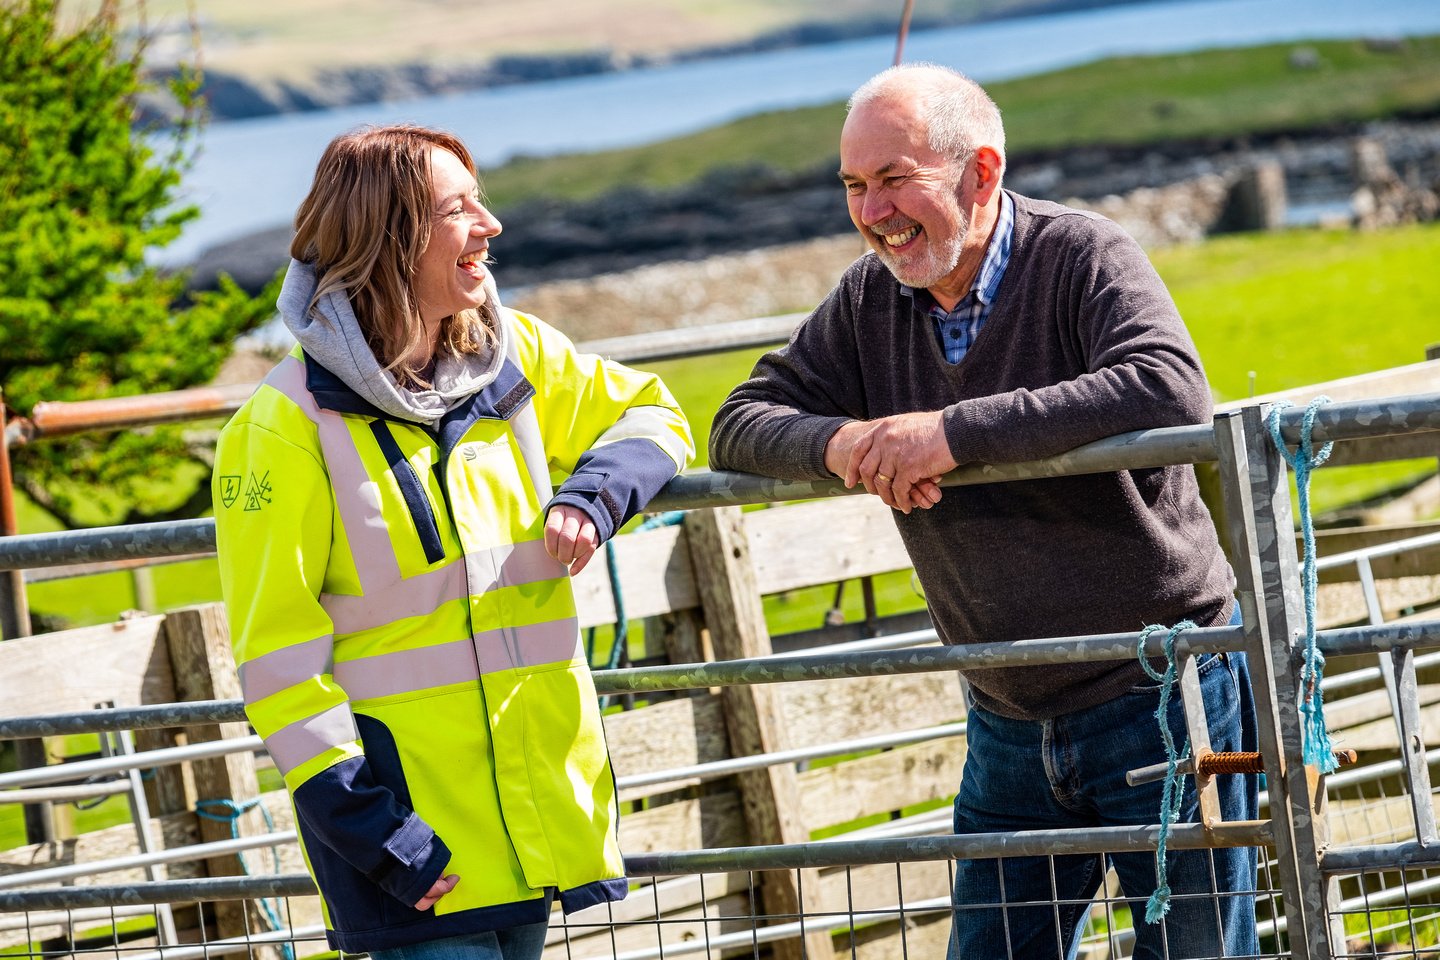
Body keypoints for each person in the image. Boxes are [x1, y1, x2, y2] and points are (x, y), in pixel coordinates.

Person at [709, 64, 1258, 959]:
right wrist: (841, 446)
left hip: (1161, 692)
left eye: (895, 179)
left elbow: (1168, 386)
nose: (873, 211)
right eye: (853, 185)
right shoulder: (869, 297)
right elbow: (738, 422)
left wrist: (953, 434)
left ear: (981, 172)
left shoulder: (1082, 254)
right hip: (1004, 712)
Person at [213, 124, 693, 960]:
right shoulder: (281, 429)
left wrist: (593, 495)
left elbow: (655, 411)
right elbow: (278, 668)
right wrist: (381, 837)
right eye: (458, 207)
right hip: (410, 855)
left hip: (537, 827)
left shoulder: (516, 357)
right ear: (390, 236)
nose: (490, 224)